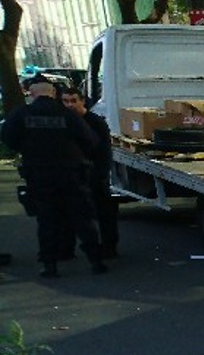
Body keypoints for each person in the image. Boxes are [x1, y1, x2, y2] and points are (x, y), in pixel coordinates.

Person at [1, 78, 107, 277]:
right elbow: (91, 140)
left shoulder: (21, 115)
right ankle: (96, 261)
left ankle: (49, 264)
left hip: (39, 175)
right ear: (54, 94)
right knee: (82, 218)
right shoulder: (68, 115)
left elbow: (8, 139)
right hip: (71, 174)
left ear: (32, 94)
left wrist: (27, 148)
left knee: (47, 220)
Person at [61, 85, 119, 259]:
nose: (69, 105)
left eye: (73, 101)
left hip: (94, 174)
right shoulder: (64, 121)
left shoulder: (95, 122)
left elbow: (104, 151)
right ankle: (68, 248)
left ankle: (109, 248)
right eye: (65, 101)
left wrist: (101, 175)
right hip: (72, 175)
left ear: (82, 101)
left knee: (104, 214)